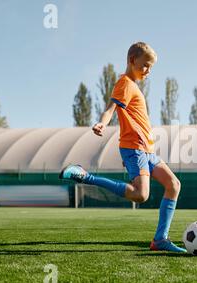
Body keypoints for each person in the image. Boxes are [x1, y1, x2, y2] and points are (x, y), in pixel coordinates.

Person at [60, 42, 186, 252]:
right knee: (140, 195)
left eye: (151, 67)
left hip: (148, 150)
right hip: (134, 148)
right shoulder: (125, 83)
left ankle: (160, 240)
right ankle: (85, 176)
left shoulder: (133, 86)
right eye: (145, 65)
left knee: (173, 184)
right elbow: (110, 109)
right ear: (132, 60)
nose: (148, 70)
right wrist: (102, 122)